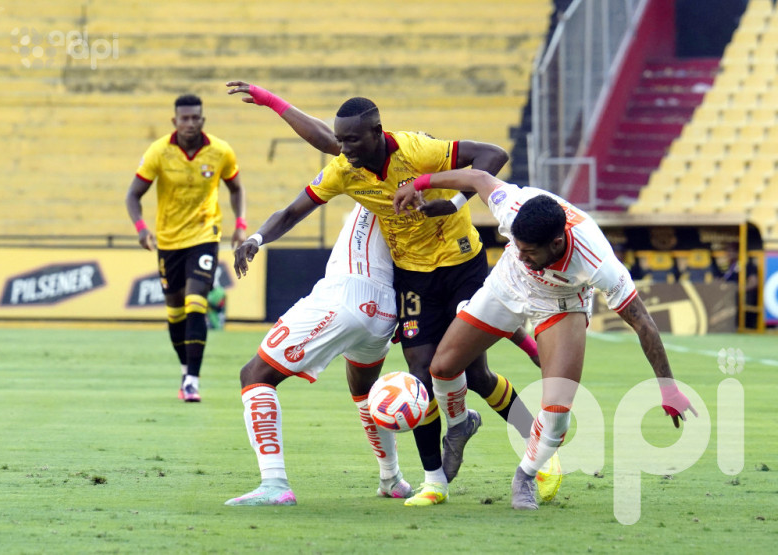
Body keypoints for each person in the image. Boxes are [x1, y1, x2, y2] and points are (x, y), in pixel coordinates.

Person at [226, 82, 560, 507]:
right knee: (421, 375)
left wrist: (454, 202)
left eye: (352, 140)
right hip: (413, 277)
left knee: (476, 375)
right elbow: (293, 210)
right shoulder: (345, 170)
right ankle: (434, 482)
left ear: (376, 133)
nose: (344, 148)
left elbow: (492, 156)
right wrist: (256, 238)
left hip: (461, 263)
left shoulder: (417, 151)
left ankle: (542, 455)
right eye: (341, 140)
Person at [393, 169, 698, 510]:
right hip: (507, 284)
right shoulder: (512, 206)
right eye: (518, 247)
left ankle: (524, 476)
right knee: (442, 368)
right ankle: (459, 426)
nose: (523, 255)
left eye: (529, 252)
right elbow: (478, 177)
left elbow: (643, 323)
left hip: (561, 303)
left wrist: (668, 388)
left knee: (557, 412)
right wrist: (419, 183)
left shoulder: (597, 261)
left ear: (556, 243)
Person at [225, 204, 415, 506]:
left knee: (254, 375)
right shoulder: (419, 193)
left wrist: (256, 238)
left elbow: (292, 210)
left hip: (346, 291)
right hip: (385, 308)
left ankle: (274, 484)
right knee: (365, 393)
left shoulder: (373, 180)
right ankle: (391, 478)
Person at [125, 94, 246, 402]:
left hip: (205, 235)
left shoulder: (220, 151)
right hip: (168, 240)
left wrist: (240, 224)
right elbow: (133, 195)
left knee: (195, 302)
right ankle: (184, 370)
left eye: (195, 118)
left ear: (202, 120)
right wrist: (141, 229)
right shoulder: (158, 151)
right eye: (185, 118)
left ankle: (192, 380)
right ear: (175, 121)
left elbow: (236, 188)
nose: (190, 123)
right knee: (175, 310)